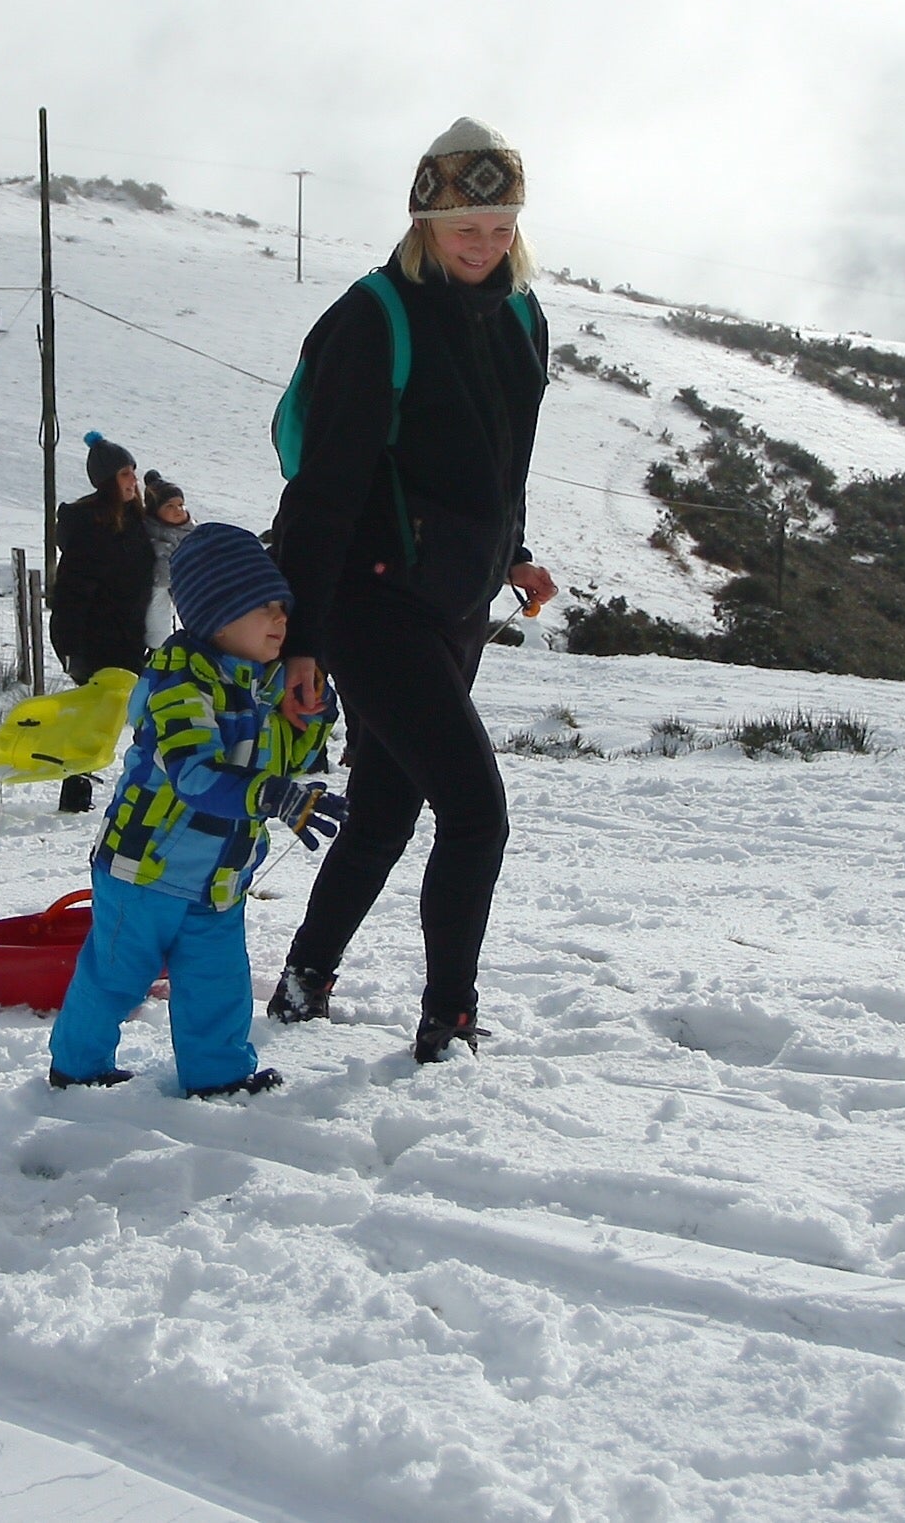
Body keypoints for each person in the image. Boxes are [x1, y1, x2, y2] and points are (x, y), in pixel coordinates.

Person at [264, 117, 560, 1063]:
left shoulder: (520, 315)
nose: (485, 243)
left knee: (390, 808)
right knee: (476, 810)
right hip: (368, 600)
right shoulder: (374, 318)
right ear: (423, 221)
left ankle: (304, 978)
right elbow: (323, 491)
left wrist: (513, 551)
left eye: (501, 222)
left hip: (456, 604)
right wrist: (304, 636)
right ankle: (449, 1020)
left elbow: (502, 460)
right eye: (465, 225)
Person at [45, 524, 343, 1099]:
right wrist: (273, 794)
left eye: (283, 607)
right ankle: (76, 1068)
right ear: (217, 615)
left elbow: (287, 756)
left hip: (218, 880)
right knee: (115, 977)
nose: (281, 619)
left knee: (218, 982)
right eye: (263, 607)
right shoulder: (177, 684)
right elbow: (196, 776)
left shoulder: (258, 686)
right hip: (144, 871)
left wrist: (313, 715)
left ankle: (219, 1076)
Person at [45, 431, 156, 814]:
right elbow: (72, 591)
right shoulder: (90, 526)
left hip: (130, 637)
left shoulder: (135, 520)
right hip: (96, 641)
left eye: (134, 473)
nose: (133, 481)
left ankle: (146, 788)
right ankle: (76, 795)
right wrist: (71, 647)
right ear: (108, 479)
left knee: (139, 712)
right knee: (100, 718)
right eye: (126, 474)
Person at [137, 477, 193, 648]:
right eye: (169, 506)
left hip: (185, 583)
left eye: (180, 505)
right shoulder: (151, 531)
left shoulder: (191, 532)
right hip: (159, 584)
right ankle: (157, 647)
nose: (178, 510)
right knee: (157, 613)